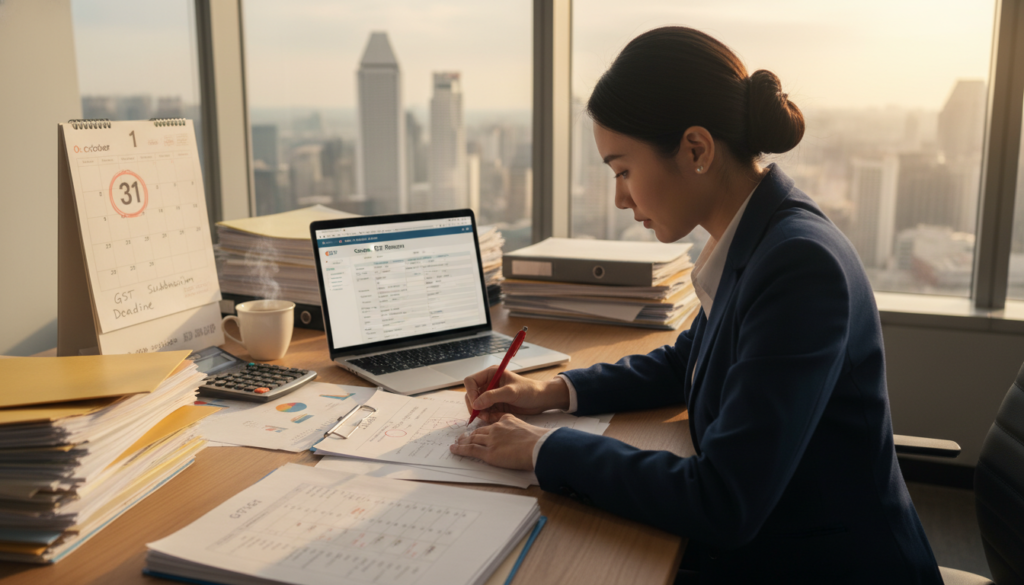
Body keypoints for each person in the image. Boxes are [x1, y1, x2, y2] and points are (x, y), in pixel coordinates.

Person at [449, 26, 942, 584]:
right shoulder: (758, 235)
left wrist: (545, 449)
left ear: (696, 150)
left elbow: (722, 501)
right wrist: (552, 391)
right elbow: (690, 361)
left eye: (623, 170)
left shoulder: (800, 265)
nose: (620, 197)